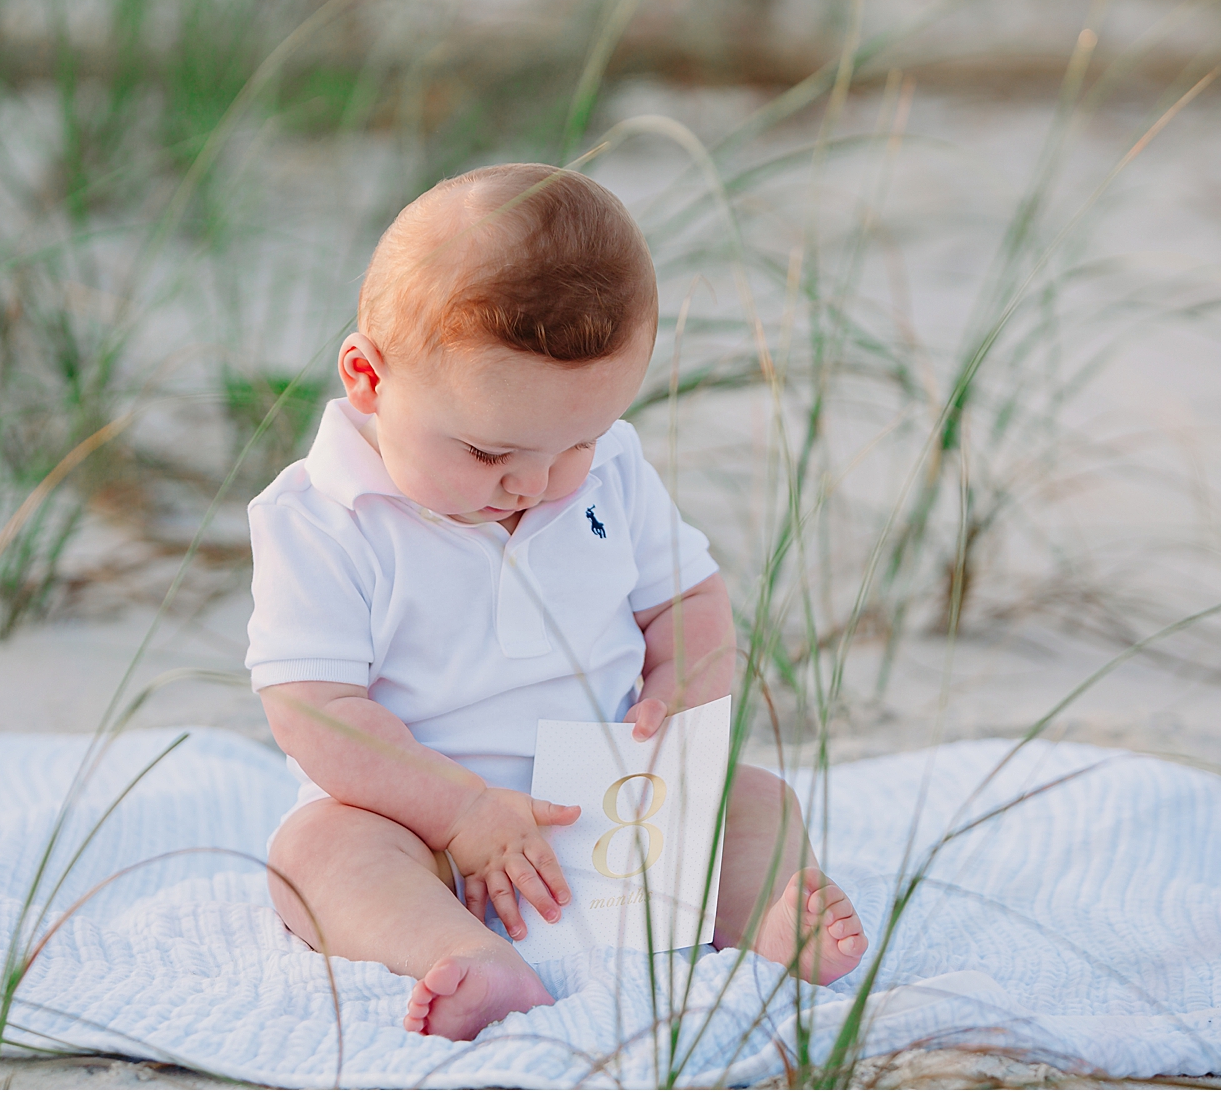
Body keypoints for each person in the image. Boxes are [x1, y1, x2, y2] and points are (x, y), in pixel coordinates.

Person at [245, 163, 865, 1042]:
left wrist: (683, 699)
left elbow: (687, 597)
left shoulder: (609, 472)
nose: (534, 483)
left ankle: (767, 920)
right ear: (369, 379)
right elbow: (315, 710)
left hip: (612, 812)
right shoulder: (320, 518)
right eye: (488, 450)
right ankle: (462, 952)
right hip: (423, 827)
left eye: (576, 439)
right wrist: (461, 811)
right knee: (313, 857)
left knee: (758, 800)